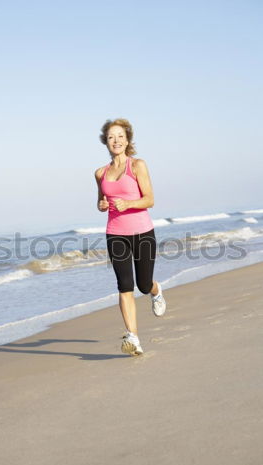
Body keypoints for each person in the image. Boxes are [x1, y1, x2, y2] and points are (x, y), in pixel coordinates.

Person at [94, 118, 166, 356]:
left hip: (142, 232)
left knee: (143, 285)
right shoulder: (100, 173)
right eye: (111, 136)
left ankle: (156, 291)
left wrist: (128, 204)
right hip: (115, 234)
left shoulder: (137, 166)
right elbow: (100, 202)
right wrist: (103, 204)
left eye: (120, 136)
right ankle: (133, 337)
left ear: (127, 140)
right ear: (106, 141)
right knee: (125, 285)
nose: (116, 140)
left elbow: (150, 199)